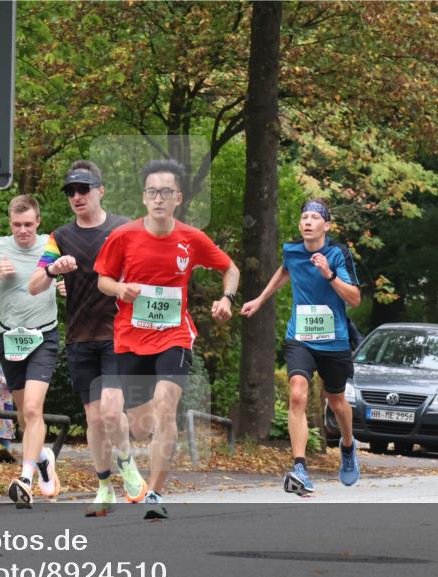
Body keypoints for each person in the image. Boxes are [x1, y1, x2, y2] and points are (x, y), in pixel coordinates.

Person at [95, 159, 239, 519]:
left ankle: (156, 495)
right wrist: (121, 288)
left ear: (178, 198)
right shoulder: (123, 236)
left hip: (174, 335)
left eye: (166, 192)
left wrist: (227, 298)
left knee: (166, 406)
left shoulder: (191, 239)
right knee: (141, 424)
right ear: (144, 198)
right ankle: (131, 465)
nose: (159, 198)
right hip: (131, 337)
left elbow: (230, 268)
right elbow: (103, 280)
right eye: (152, 192)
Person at [28, 160, 147, 518]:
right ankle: (104, 486)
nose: (76, 196)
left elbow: (147, 270)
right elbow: (34, 286)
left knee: (112, 410)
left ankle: (127, 464)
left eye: (83, 189)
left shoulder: (124, 229)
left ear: (100, 190)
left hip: (118, 334)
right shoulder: (59, 237)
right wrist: (52, 270)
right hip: (80, 338)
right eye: (70, 192)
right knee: (94, 421)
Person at [241, 198, 362, 495]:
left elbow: (355, 299)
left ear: (326, 225)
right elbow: (285, 271)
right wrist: (259, 299)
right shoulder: (293, 252)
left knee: (336, 402)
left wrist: (328, 275)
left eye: (314, 217)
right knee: (297, 394)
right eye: (304, 217)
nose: (308, 221)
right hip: (301, 337)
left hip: (334, 340)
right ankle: (300, 467)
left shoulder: (337, 254)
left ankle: (348, 446)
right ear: (300, 225)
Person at [0, 195, 60, 508]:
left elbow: (66, 273)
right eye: (17, 224)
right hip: (11, 339)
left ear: (38, 222)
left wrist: (64, 284)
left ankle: (25, 478)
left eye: (28, 224)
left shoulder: (51, 244)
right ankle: (43, 458)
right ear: (10, 223)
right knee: (24, 416)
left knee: (32, 410)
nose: (23, 230)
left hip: (44, 336)